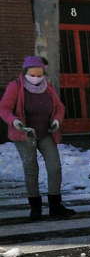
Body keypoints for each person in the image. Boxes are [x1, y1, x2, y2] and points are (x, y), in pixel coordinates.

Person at [0, 56, 71, 219]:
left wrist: (56, 121)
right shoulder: (15, 87)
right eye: (33, 74)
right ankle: (36, 208)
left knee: (55, 167)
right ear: (25, 73)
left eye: (40, 75)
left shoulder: (48, 87)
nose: (37, 78)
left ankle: (55, 205)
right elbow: (4, 108)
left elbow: (60, 107)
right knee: (31, 170)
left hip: (46, 133)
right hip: (25, 134)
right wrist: (14, 121)